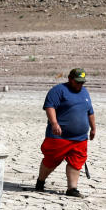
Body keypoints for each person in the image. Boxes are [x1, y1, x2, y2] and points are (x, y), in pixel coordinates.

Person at [35, 67, 96, 197]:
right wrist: (54, 123)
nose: (80, 84)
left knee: (76, 161)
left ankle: (72, 188)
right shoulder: (58, 91)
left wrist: (93, 128)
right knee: (51, 160)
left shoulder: (85, 92)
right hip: (59, 137)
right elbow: (49, 106)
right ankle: (40, 181)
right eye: (77, 81)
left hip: (79, 138)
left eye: (82, 82)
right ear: (70, 79)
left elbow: (90, 111)